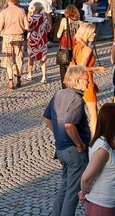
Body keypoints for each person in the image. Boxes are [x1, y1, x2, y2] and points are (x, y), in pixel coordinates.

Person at [43, 65, 91, 216]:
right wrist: (80, 144)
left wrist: (58, 134)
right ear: (77, 80)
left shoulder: (59, 94)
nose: (89, 82)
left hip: (62, 149)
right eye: (86, 79)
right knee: (73, 192)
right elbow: (70, 125)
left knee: (64, 186)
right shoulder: (77, 100)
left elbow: (46, 118)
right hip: (74, 151)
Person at [78, 103, 115, 216]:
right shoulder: (102, 147)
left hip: (113, 204)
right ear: (113, 120)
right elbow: (86, 178)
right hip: (101, 205)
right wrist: (84, 193)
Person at [74, 23, 105, 136]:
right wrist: (96, 68)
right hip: (86, 81)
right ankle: (95, 136)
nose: (95, 34)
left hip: (78, 82)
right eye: (92, 32)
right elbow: (81, 67)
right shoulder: (87, 49)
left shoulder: (78, 45)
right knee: (93, 112)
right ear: (87, 33)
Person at [0, 0, 28, 90]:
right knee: (19, 59)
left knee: (8, 60)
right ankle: (19, 78)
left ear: (7, 0)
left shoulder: (4, 12)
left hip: (8, 37)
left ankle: (11, 81)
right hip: (19, 37)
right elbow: (27, 26)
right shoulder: (22, 11)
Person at [56, 5, 81, 88]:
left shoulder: (64, 20)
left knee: (64, 69)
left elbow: (58, 35)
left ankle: (65, 87)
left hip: (65, 47)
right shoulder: (80, 22)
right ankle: (75, 85)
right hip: (76, 48)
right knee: (75, 68)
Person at [26, 2, 49, 83]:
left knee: (31, 57)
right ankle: (44, 77)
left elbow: (29, 28)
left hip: (33, 39)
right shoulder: (45, 18)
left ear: (35, 9)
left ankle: (29, 75)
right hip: (42, 39)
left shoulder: (32, 18)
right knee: (43, 58)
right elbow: (48, 28)